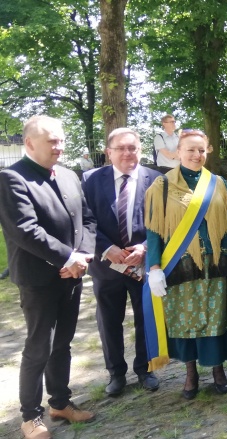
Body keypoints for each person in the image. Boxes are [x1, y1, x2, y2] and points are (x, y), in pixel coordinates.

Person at [0, 115, 97, 439]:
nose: (59, 146)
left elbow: (87, 219)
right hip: (38, 279)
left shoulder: (70, 175)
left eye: (61, 140)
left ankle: (60, 403)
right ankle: (30, 416)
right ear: (29, 144)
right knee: (39, 347)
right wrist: (68, 257)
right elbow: (25, 230)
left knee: (64, 344)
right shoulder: (12, 178)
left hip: (72, 274)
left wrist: (82, 256)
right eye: (51, 141)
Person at [144, 129, 227, 399]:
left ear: (207, 151)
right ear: (178, 152)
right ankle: (190, 373)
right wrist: (154, 268)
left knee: (216, 318)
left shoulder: (219, 184)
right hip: (181, 265)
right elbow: (153, 231)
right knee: (185, 320)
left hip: (215, 263)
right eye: (190, 150)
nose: (196, 155)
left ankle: (218, 370)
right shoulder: (161, 186)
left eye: (201, 150)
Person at [82, 128, 162, 396]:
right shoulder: (92, 181)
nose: (128, 153)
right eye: (121, 148)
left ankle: (145, 369)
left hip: (143, 263)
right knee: (109, 320)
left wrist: (146, 247)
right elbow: (85, 221)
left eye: (133, 148)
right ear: (109, 152)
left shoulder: (157, 179)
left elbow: (165, 223)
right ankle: (116, 373)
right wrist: (107, 248)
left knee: (145, 317)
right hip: (107, 266)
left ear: (140, 150)